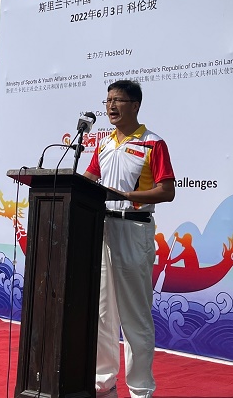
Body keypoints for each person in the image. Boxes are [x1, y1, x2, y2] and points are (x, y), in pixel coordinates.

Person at [84, 80, 175, 398]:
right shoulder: (103, 144)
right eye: (108, 100)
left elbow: (167, 190)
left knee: (135, 315)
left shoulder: (153, 143)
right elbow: (88, 181)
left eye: (118, 100)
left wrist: (126, 196)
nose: (111, 106)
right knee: (102, 313)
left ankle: (140, 389)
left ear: (135, 105)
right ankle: (103, 382)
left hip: (134, 229)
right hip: (103, 229)